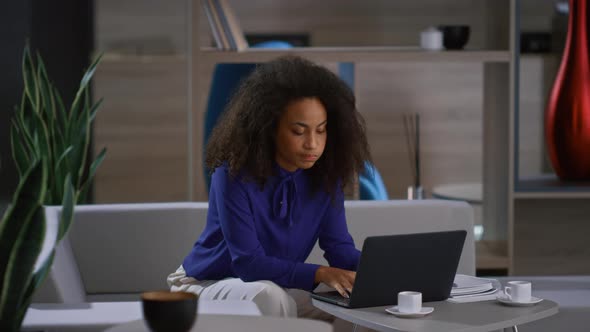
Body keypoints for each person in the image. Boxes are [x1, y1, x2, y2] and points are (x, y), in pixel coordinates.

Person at [168, 55, 372, 320]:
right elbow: (248, 263)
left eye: (321, 130)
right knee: (270, 297)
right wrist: (320, 273)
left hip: (275, 285)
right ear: (269, 128)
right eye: (299, 131)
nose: (312, 143)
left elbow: (340, 250)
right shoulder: (232, 175)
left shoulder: (325, 178)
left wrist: (382, 274)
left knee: (352, 304)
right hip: (204, 284)